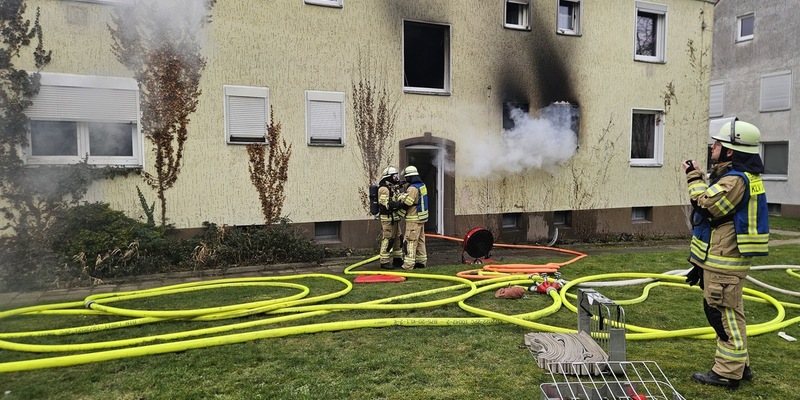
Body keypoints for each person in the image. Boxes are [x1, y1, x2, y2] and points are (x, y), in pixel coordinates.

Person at [683, 118, 769, 391]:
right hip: (725, 258)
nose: (713, 147)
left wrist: (693, 177)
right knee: (732, 314)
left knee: (721, 315)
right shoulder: (739, 177)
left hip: (725, 261)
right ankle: (740, 366)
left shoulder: (735, 180)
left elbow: (707, 206)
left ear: (731, 151)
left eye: (718, 144)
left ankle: (727, 373)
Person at [396, 165, 428, 270]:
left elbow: (407, 203)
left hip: (413, 219)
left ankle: (408, 265)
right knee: (420, 241)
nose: (406, 180)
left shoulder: (413, 188)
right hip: (421, 218)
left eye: (407, 178)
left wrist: (400, 198)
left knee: (410, 241)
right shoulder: (422, 185)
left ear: (410, 177)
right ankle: (421, 262)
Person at [377, 166, 404, 270]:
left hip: (395, 218)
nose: (396, 177)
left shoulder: (393, 187)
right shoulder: (383, 189)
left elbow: (397, 196)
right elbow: (386, 204)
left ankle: (397, 259)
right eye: (394, 175)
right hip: (387, 218)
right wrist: (398, 204)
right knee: (387, 239)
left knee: (398, 238)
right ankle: (384, 261)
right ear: (388, 177)